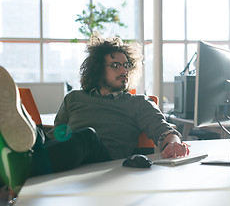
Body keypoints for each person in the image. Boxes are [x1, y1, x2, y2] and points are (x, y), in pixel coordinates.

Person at [0, 35, 189, 197]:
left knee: (86, 137)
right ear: (98, 69)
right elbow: (56, 138)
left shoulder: (138, 103)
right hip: (68, 162)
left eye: (126, 65)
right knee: (38, 135)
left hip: (104, 167)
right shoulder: (74, 99)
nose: (124, 71)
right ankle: (21, 127)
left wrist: (173, 143)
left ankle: (17, 170)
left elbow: (164, 130)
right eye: (116, 65)